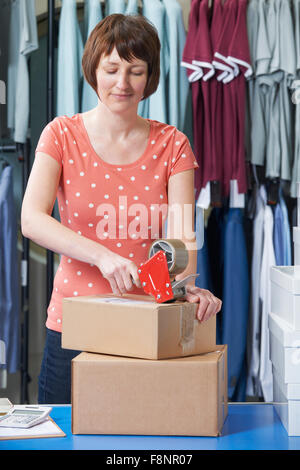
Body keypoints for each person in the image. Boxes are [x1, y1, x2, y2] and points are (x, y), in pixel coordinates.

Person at [21, 14, 222, 404]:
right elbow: (32, 219)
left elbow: (182, 237)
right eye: (111, 69)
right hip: (73, 325)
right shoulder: (61, 134)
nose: (123, 83)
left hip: (147, 322)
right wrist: (104, 257)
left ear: (150, 77)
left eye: (136, 71)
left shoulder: (173, 145)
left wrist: (187, 288)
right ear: (93, 70)